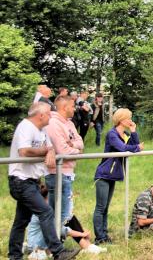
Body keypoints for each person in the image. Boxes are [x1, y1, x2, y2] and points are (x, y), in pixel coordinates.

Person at [7, 102, 80, 260]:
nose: (51, 116)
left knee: (21, 221)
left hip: (31, 181)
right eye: (49, 114)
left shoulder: (42, 130)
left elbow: (50, 147)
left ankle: (14, 255)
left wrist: (51, 150)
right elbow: (24, 151)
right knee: (46, 212)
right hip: (20, 181)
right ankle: (58, 252)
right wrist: (47, 150)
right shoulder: (26, 127)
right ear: (40, 115)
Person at [93, 108, 143, 245]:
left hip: (113, 175)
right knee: (100, 207)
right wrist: (137, 148)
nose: (131, 120)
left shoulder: (125, 133)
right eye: (129, 118)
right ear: (121, 119)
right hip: (103, 174)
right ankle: (99, 237)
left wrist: (133, 132)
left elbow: (133, 145)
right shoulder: (112, 134)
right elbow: (122, 148)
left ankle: (104, 234)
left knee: (106, 207)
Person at [44, 96, 84, 244]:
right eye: (73, 106)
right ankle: (52, 247)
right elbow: (63, 150)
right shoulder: (53, 123)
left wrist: (73, 145)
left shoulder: (69, 123)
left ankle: (52, 246)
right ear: (64, 107)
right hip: (57, 174)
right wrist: (76, 150)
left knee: (60, 214)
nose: (75, 109)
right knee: (61, 215)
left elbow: (80, 142)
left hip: (67, 174)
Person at [26, 185, 106, 258]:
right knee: (66, 220)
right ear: (45, 199)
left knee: (69, 218)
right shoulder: (42, 212)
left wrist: (82, 231)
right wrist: (82, 234)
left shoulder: (41, 209)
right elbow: (62, 230)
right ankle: (87, 246)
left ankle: (87, 245)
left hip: (39, 245)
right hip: (37, 247)